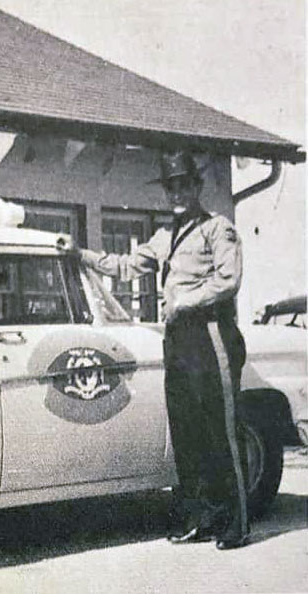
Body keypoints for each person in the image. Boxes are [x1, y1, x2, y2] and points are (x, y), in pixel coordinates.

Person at [80, 149, 249, 550]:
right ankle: (201, 517)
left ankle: (237, 522)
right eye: (170, 186)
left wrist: (184, 301)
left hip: (211, 336)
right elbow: (123, 266)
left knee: (221, 432)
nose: (177, 192)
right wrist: (78, 254)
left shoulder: (217, 229)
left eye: (183, 184)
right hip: (178, 341)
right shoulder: (164, 236)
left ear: (196, 186)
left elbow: (228, 280)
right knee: (187, 433)